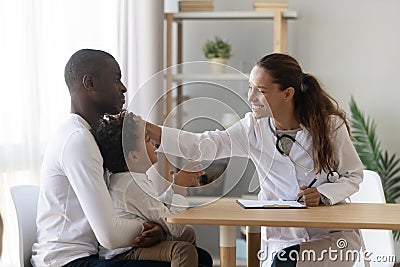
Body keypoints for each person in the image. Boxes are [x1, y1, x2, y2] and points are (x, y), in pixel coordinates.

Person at [146, 53, 364, 267]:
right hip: (282, 238)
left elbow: (353, 175)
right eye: (250, 88)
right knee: (284, 260)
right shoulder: (253, 128)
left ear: (287, 94)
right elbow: (203, 145)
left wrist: (324, 195)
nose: (251, 97)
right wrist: (152, 131)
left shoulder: (329, 126)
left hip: (331, 237)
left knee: (286, 262)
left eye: (261, 91)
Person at [31, 49, 211, 267]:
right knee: (188, 257)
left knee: (200, 257)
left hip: (95, 253)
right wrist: (158, 226)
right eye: (116, 79)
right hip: (67, 260)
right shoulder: (77, 140)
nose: (123, 88)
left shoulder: (89, 134)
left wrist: (156, 226)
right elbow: (109, 235)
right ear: (90, 83)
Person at [91, 112, 210, 267]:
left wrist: (174, 186)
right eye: (148, 140)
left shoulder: (129, 179)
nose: (155, 142)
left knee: (189, 232)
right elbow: (175, 227)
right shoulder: (132, 185)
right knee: (183, 250)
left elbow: (155, 208)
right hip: (124, 254)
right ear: (133, 156)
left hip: (134, 247)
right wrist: (180, 188)